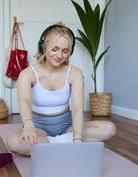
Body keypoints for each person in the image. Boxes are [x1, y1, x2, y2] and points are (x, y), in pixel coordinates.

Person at [6, 23, 116, 156]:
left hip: (67, 127)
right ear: (44, 47)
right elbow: (24, 102)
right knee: (13, 142)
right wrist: (28, 126)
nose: (59, 55)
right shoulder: (27, 74)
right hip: (38, 128)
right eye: (55, 49)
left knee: (109, 128)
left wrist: (77, 137)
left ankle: (50, 146)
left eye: (65, 51)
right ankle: (62, 145)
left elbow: (76, 107)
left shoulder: (74, 73)